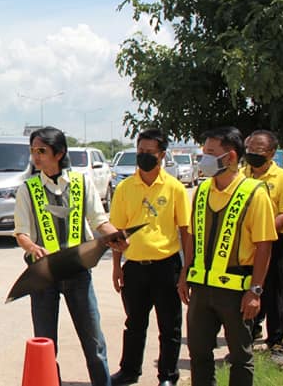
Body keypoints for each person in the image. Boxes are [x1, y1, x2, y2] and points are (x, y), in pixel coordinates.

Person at [13, 126, 124, 386]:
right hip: (44, 275)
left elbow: (99, 220)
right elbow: (21, 233)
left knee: (94, 342)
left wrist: (116, 236)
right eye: (33, 151)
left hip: (77, 271)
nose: (36, 157)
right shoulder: (27, 189)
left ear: (59, 153)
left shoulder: (81, 182)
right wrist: (32, 247)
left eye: (42, 151)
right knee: (46, 344)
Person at [179, 126, 276, 386]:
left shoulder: (254, 193)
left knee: (240, 357)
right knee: (199, 353)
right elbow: (193, 236)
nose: (204, 159)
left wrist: (255, 291)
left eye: (210, 153)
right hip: (201, 289)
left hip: (236, 291)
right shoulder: (202, 191)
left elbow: (264, 246)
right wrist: (184, 273)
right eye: (203, 152)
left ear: (230, 156)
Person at [108, 129, 188, 386]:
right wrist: (116, 267)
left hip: (166, 267)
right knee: (134, 324)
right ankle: (129, 371)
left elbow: (185, 231)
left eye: (149, 152)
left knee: (170, 327)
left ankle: (168, 376)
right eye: (140, 151)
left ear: (162, 155)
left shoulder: (174, 188)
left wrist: (186, 270)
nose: (143, 156)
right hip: (134, 268)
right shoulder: (124, 188)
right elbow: (117, 231)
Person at [242, 130, 283, 355]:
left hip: (273, 241)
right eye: (250, 149)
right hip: (245, 244)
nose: (253, 153)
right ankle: (247, 337)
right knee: (245, 289)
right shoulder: (241, 175)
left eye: (259, 150)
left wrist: (262, 231)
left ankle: (276, 341)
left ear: (272, 153)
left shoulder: (282, 178)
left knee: (274, 293)